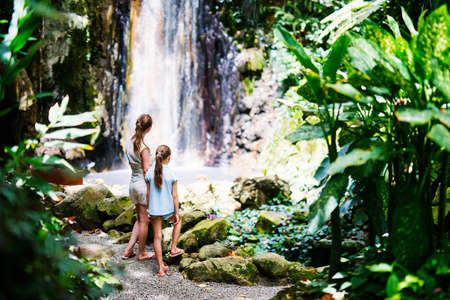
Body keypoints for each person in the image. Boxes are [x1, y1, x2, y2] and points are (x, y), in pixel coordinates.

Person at [146, 145, 184, 276]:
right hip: (168, 210)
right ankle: (173, 248)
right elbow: (175, 196)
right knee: (178, 222)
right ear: (169, 157)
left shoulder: (150, 172)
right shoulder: (172, 173)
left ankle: (161, 267)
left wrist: (147, 210)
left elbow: (148, 194)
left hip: (154, 210)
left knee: (157, 237)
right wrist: (177, 213)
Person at [122, 114, 154, 261]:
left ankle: (128, 250)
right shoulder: (144, 148)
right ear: (149, 128)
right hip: (142, 185)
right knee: (145, 219)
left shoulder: (129, 142)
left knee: (140, 219)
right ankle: (141, 253)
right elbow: (147, 171)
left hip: (133, 184)